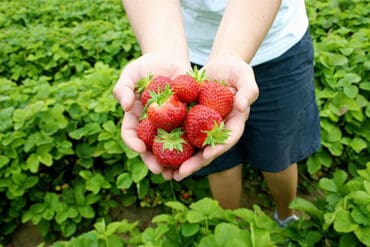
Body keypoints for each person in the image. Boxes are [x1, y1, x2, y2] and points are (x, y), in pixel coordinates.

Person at [113, 0, 321, 227]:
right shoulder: (180, 82)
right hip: (185, 54)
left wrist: (231, 54)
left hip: (277, 48)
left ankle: (286, 215)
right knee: (218, 161)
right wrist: (162, 50)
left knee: (279, 154)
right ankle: (229, 223)